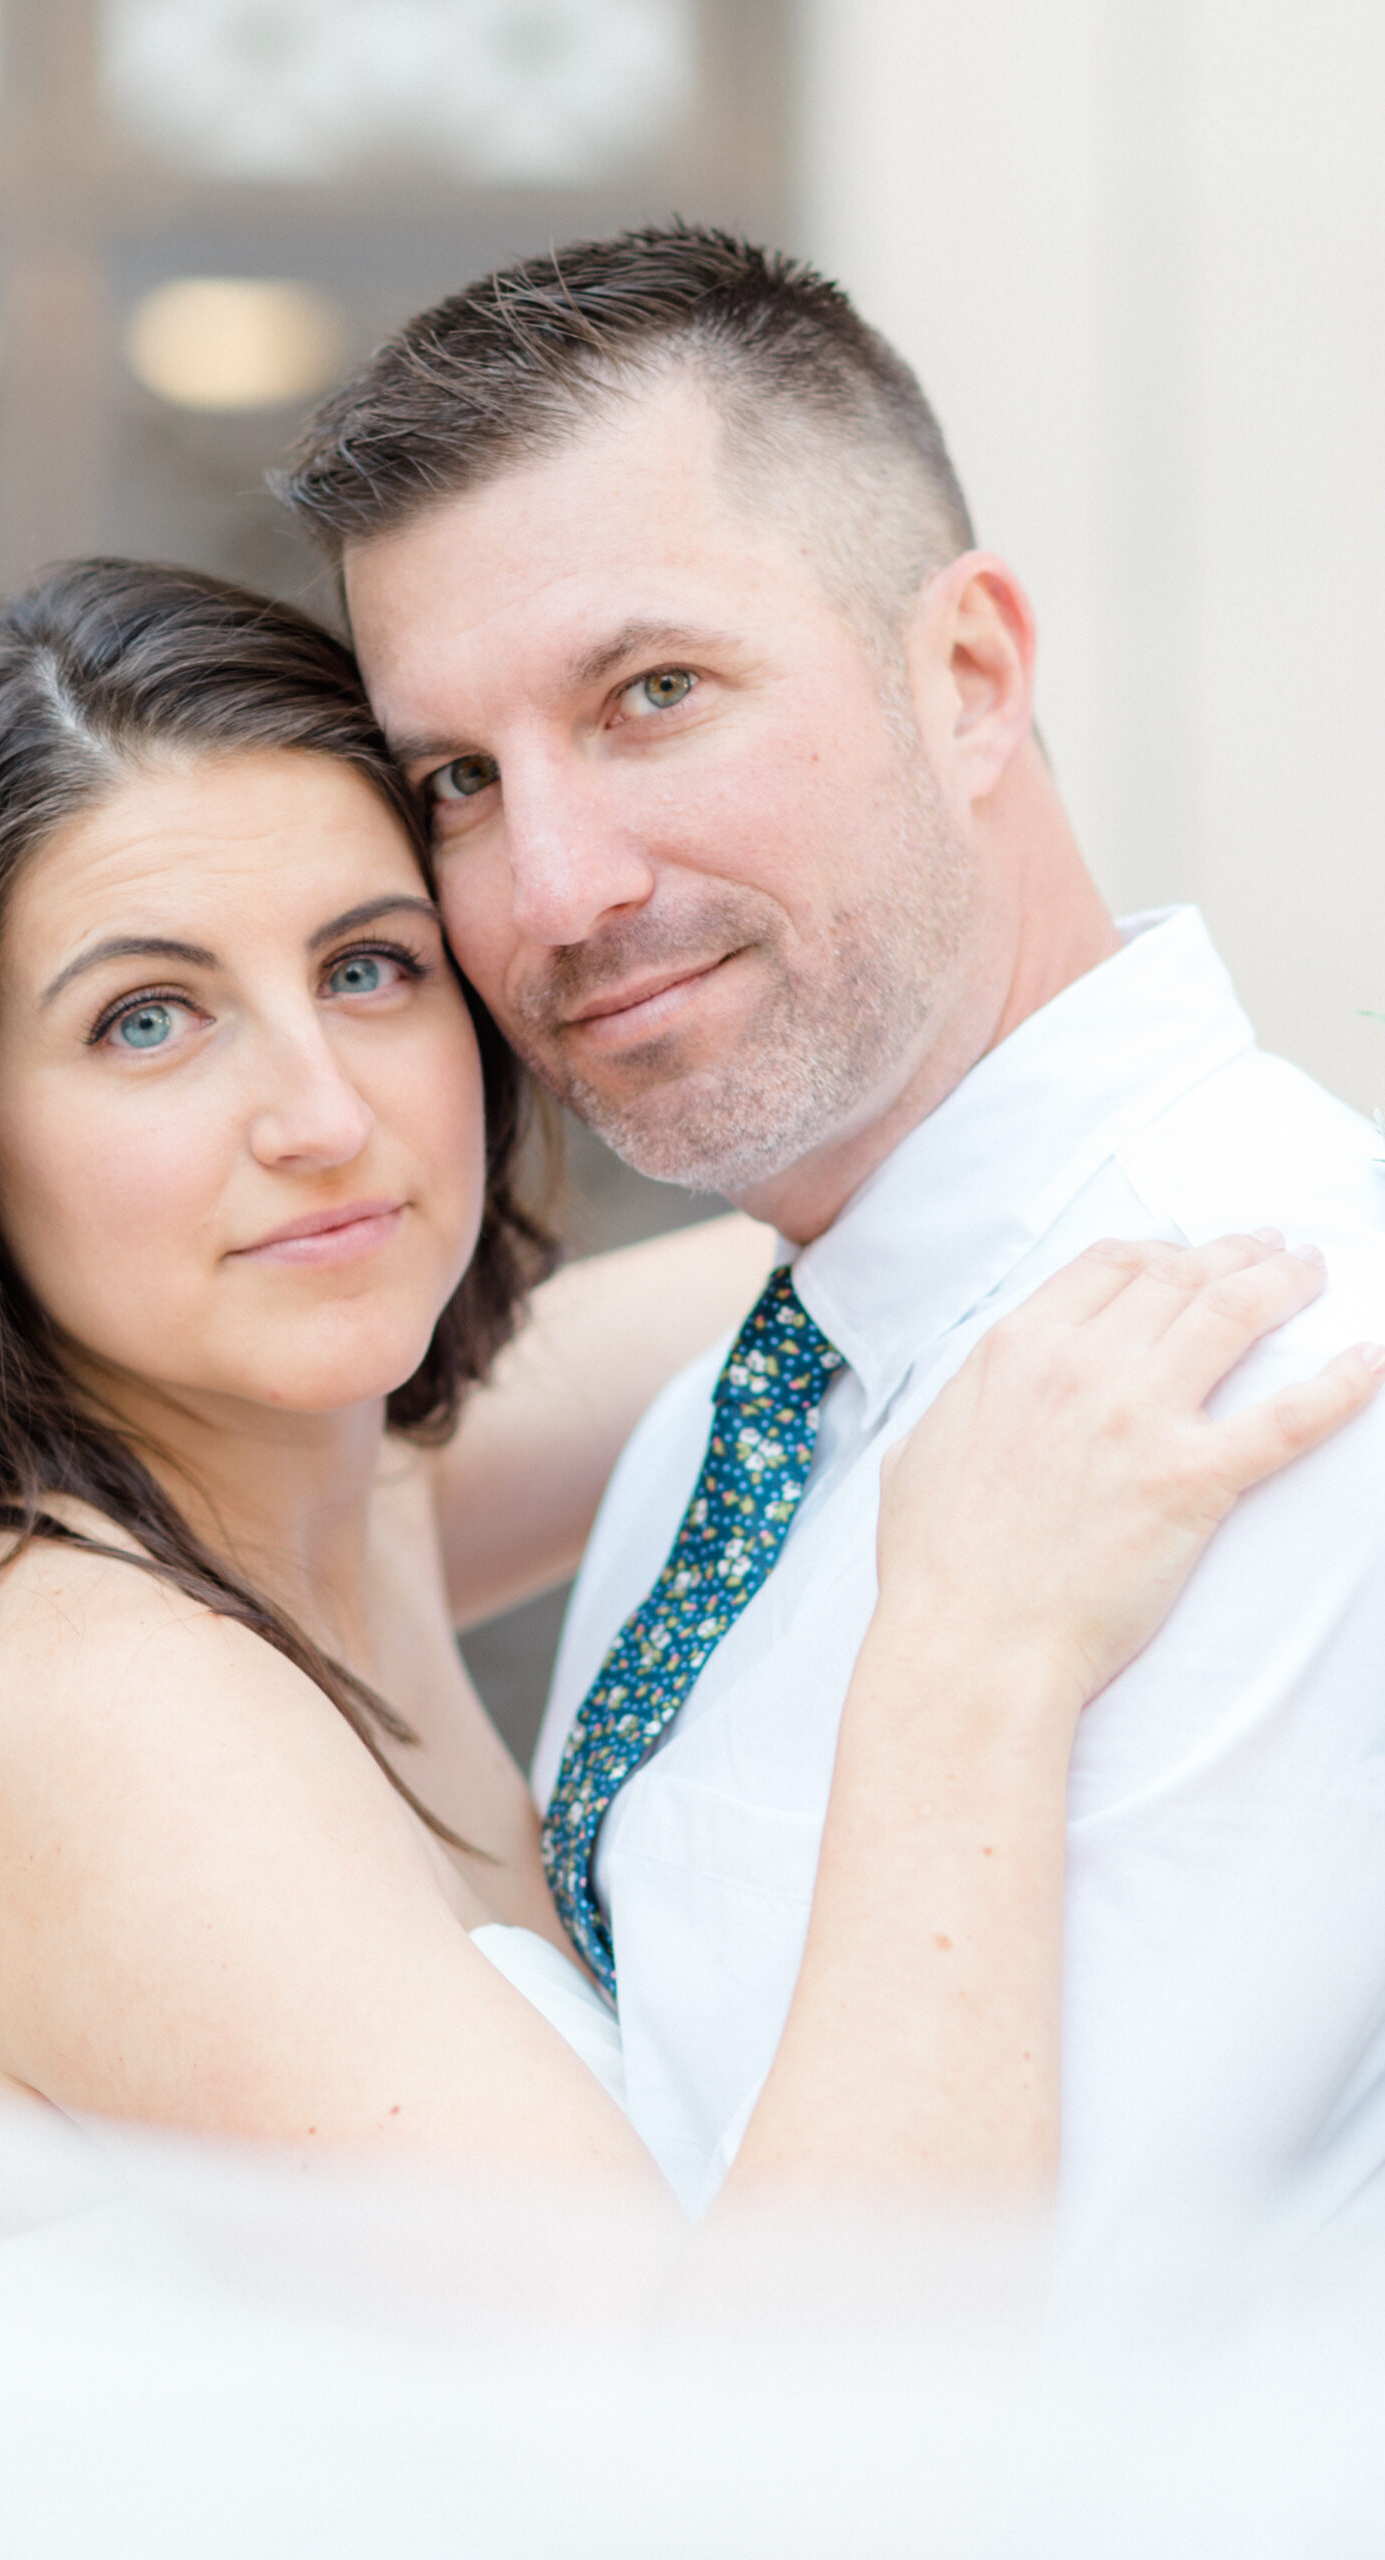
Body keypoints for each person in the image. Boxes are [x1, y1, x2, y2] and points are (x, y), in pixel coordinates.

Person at [0, 560, 1376, 2203]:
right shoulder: (95, 1711)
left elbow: (951, 1214)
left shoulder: (336, 1487)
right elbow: (727, 2453)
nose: (319, 1115)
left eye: (367, 969)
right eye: (148, 1020)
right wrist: (969, 1659)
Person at [273, 221, 1385, 2229]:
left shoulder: (1288, 1376)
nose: (552, 884)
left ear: (966, 678)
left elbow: (1060, 2405)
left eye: (651, 693)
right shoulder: (749, 1395)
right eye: (453, 776)